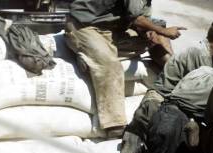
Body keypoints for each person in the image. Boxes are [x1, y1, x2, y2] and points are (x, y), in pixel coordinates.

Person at [119, 16, 213, 153]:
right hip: (160, 108)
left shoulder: (203, 52)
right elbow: (193, 98)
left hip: (154, 105)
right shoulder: (201, 56)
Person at [65, 0, 186, 137]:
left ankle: (176, 80)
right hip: (84, 28)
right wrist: (164, 30)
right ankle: (114, 125)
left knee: (158, 34)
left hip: (111, 30)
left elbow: (140, 18)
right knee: (110, 64)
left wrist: (152, 31)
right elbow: (136, 18)